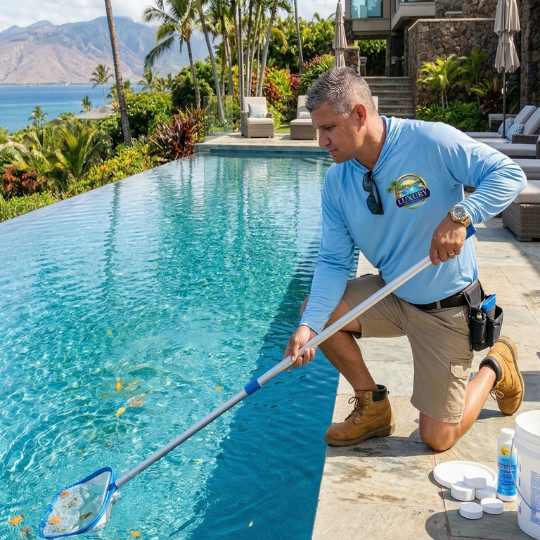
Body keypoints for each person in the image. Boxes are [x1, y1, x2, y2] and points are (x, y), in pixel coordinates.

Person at [284, 67, 527, 452]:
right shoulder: (337, 181)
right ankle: (372, 406)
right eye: (318, 129)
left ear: (360, 115)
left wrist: (461, 216)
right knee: (319, 314)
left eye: (328, 128)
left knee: (437, 438)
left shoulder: (429, 141)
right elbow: (333, 261)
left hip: (446, 306)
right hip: (393, 293)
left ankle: (497, 365)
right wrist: (309, 326)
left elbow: (508, 173)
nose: (320, 141)